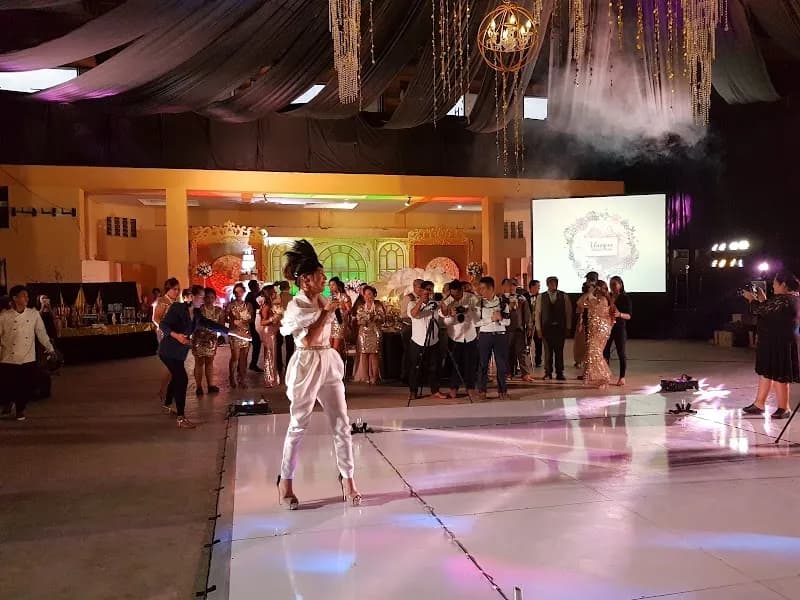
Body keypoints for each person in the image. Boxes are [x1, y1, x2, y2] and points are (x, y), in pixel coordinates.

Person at [277, 240, 360, 510]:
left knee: (342, 423)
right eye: (320, 275)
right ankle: (286, 483)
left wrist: (337, 314)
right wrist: (326, 314)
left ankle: (348, 479)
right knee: (298, 425)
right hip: (306, 364)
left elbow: (328, 334)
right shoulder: (297, 306)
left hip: (328, 361)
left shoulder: (323, 299)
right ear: (306, 280)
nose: (325, 278)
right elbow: (309, 340)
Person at [159, 285, 229, 429]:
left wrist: (232, 331)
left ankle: (167, 404)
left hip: (179, 352)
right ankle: (181, 418)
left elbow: (210, 324)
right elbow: (163, 325)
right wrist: (177, 336)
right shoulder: (178, 308)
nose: (203, 299)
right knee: (182, 379)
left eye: (204, 297)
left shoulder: (196, 314)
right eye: (201, 296)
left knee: (176, 377)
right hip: (168, 350)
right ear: (192, 296)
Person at [742, 272, 800, 419]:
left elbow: (761, 310)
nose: (773, 286)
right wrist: (763, 300)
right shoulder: (789, 299)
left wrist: (752, 300)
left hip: (781, 342)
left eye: (775, 283)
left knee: (780, 374)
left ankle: (784, 407)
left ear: (784, 285)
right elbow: (771, 311)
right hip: (773, 341)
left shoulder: (787, 299)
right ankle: (759, 404)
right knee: (766, 372)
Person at [0, 286, 56, 421]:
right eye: (23, 295)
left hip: (27, 357)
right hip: (8, 357)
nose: (27, 298)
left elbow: (41, 333)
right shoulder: (4, 316)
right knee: (7, 384)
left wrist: (51, 349)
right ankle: (8, 402)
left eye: (27, 295)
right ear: (14, 298)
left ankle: (20, 409)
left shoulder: (33, 314)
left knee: (25, 385)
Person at [407, 281, 447, 400]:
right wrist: (422, 300)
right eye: (427, 289)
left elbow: (444, 314)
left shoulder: (435, 303)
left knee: (435, 367)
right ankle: (413, 391)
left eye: (431, 289)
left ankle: (435, 390)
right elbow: (414, 314)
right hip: (418, 341)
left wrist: (443, 303)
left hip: (433, 340)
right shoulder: (412, 303)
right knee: (415, 367)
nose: (430, 292)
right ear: (422, 290)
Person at [441, 279, 478, 399]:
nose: (455, 297)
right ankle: (453, 389)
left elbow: (479, 313)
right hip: (454, 336)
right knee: (454, 365)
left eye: (457, 294)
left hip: (470, 335)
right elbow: (444, 319)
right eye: (452, 294)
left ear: (462, 290)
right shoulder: (448, 301)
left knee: (470, 364)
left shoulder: (471, 298)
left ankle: (470, 388)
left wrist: (469, 310)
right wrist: (449, 313)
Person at [475, 276, 511, 401]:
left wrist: (501, 319)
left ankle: (503, 390)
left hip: (500, 336)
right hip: (485, 336)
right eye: (480, 289)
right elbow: (475, 322)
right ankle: (482, 390)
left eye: (483, 288)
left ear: (491, 288)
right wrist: (490, 319)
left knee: (501, 365)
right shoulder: (479, 304)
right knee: (483, 364)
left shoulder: (502, 303)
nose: (481, 291)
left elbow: (508, 322)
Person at [535, 276, 572, 381]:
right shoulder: (541, 297)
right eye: (551, 283)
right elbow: (537, 314)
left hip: (560, 328)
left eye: (555, 283)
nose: (553, 285)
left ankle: (560, 372)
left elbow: (568, 313)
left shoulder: (564, 296)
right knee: (548, 352)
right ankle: (548, 372)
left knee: (559, 351)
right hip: (546, 329)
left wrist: (568, 327)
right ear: (547, 284)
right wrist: (538, 329)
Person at [580, 280, 616, 387]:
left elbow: (611, 317)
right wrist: (590, 292)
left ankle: (604, 376)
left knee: (594, 351)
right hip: (594, 330)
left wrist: (591, 293)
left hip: (601, 330)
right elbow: (581, 303)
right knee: (594, 353)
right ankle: (598, 377)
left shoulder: (602, 300)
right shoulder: (595, 299)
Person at [153, 278, 181, 408]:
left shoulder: (176, 302)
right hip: (166, 335)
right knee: (170, 364)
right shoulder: (163, 301)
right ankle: (163, 390)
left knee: (174, 364)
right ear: (168, 289)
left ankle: (167, 392)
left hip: (176, 335)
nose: (177, 291)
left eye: (178, 289)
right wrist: (167, 330)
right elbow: (156, 318)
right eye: (174, 289)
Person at [192, 287, 225, 395]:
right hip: (199, 338)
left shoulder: (219, 311)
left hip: (211, 340)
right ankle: (198, 386)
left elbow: (221, 325)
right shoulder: (198, 310)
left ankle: (210, 385)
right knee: (199, 363)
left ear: (215, 298)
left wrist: (221, 336)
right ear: (203, 298)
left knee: (210, 362)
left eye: (212, 297)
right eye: (207, 297)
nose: (209, 299)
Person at [353, 286, 385, 385]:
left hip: (375, 332)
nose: (367, 296)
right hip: (364, 333)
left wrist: (375, 317)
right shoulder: (361, 307)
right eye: (365, 294)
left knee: (374, 354)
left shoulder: (378, 306)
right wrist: (365, 319)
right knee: (364, 354)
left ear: (374, 295)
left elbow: (383, 319)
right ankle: (366, 376)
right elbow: (358, 320)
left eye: (369, 294)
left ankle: (374, 377)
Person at [503, 278, 534, 382]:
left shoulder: (522, 299)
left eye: (514, 285)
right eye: (509, 285)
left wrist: (529, 326)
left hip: (519, 329)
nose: (511, 288)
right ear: (504, 286)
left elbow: (527, 314)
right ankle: (508, 373)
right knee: (507, 352)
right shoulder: (500, 299)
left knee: (522, 352)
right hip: (505, 330)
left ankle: (525, 374)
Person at [604, 276, 632, 386]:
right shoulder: (608, 297)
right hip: (608, 328)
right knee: (605, 352)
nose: (612, 286)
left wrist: (619, 314)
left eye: (614, 284)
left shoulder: (625, 298)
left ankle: (622, 377)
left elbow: (629, 316)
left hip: (619, 328)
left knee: (621, 352)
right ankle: (605, 376)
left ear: (620, 284)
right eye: (611, 284)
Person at [226, 283, 252, 389]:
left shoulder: (248, 305)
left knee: (244, 357)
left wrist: (245, 320)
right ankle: (231, 376)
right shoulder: (230, 305)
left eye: (240, 291)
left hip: (245, 332)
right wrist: (233, 321)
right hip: (235, 332)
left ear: (244, 292)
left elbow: (252, 319)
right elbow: (225, 318)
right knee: (235, 356)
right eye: (236, 292)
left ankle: (242, 378)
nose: (238, 294)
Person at [574, 272, 599, 369]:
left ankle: (591, 361)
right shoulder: (585, 289)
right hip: (584, 317)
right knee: (580, 341)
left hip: (594, 319)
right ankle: (579, 360)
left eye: (589, 279)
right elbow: (581, 306)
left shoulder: (598, 289)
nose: (588, 281)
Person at [259, 285, 281, 388]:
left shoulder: (273, 305)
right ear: (270, 294)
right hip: (268, 332)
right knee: (269, 355)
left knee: (273, 354)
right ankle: (269, 379)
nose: (276, 294)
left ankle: (273, 378)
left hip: (273, 331)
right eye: (274, 292)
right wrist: (272, 319)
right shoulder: (267, 306)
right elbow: (262, 322)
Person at [328, 277, 352, 360]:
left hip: (340, 322)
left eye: (333, 285)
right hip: (331, 323)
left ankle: (338, 367)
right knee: (329, 347)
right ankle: (332, 366)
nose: (331, 287)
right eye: (330, 285)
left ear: (337, 285)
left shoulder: (344, 296)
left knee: (336, 348)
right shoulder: (330, 297)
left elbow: (349, 310)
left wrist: (341, 313)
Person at [244, 279, 264, 373]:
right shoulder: (251, 296)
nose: (258, 286)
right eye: (257, 285)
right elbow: (257, 305)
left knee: (255, 343)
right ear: (253, 287)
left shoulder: (251, 295)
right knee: (254, 343)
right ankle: (248, 365)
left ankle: (251, 364)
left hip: (250, 324)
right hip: (248, 324)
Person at [276, 280, 295, 375]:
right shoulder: (292, 298)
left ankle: (279, 366)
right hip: (289, 324)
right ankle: (289, 365)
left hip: (278, 324)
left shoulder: (277, 297)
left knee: (278, 346)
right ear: (288, 287)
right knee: (290, 346)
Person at [528, 280, 542, 369]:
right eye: (538, 286)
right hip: (528, 323)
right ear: (532, 287)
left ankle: (538, 361)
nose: (539, 288)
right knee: (526, 342)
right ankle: (526, 360)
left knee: (538, 342)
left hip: (537, 322)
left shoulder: (541, 297)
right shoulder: (525, 297)